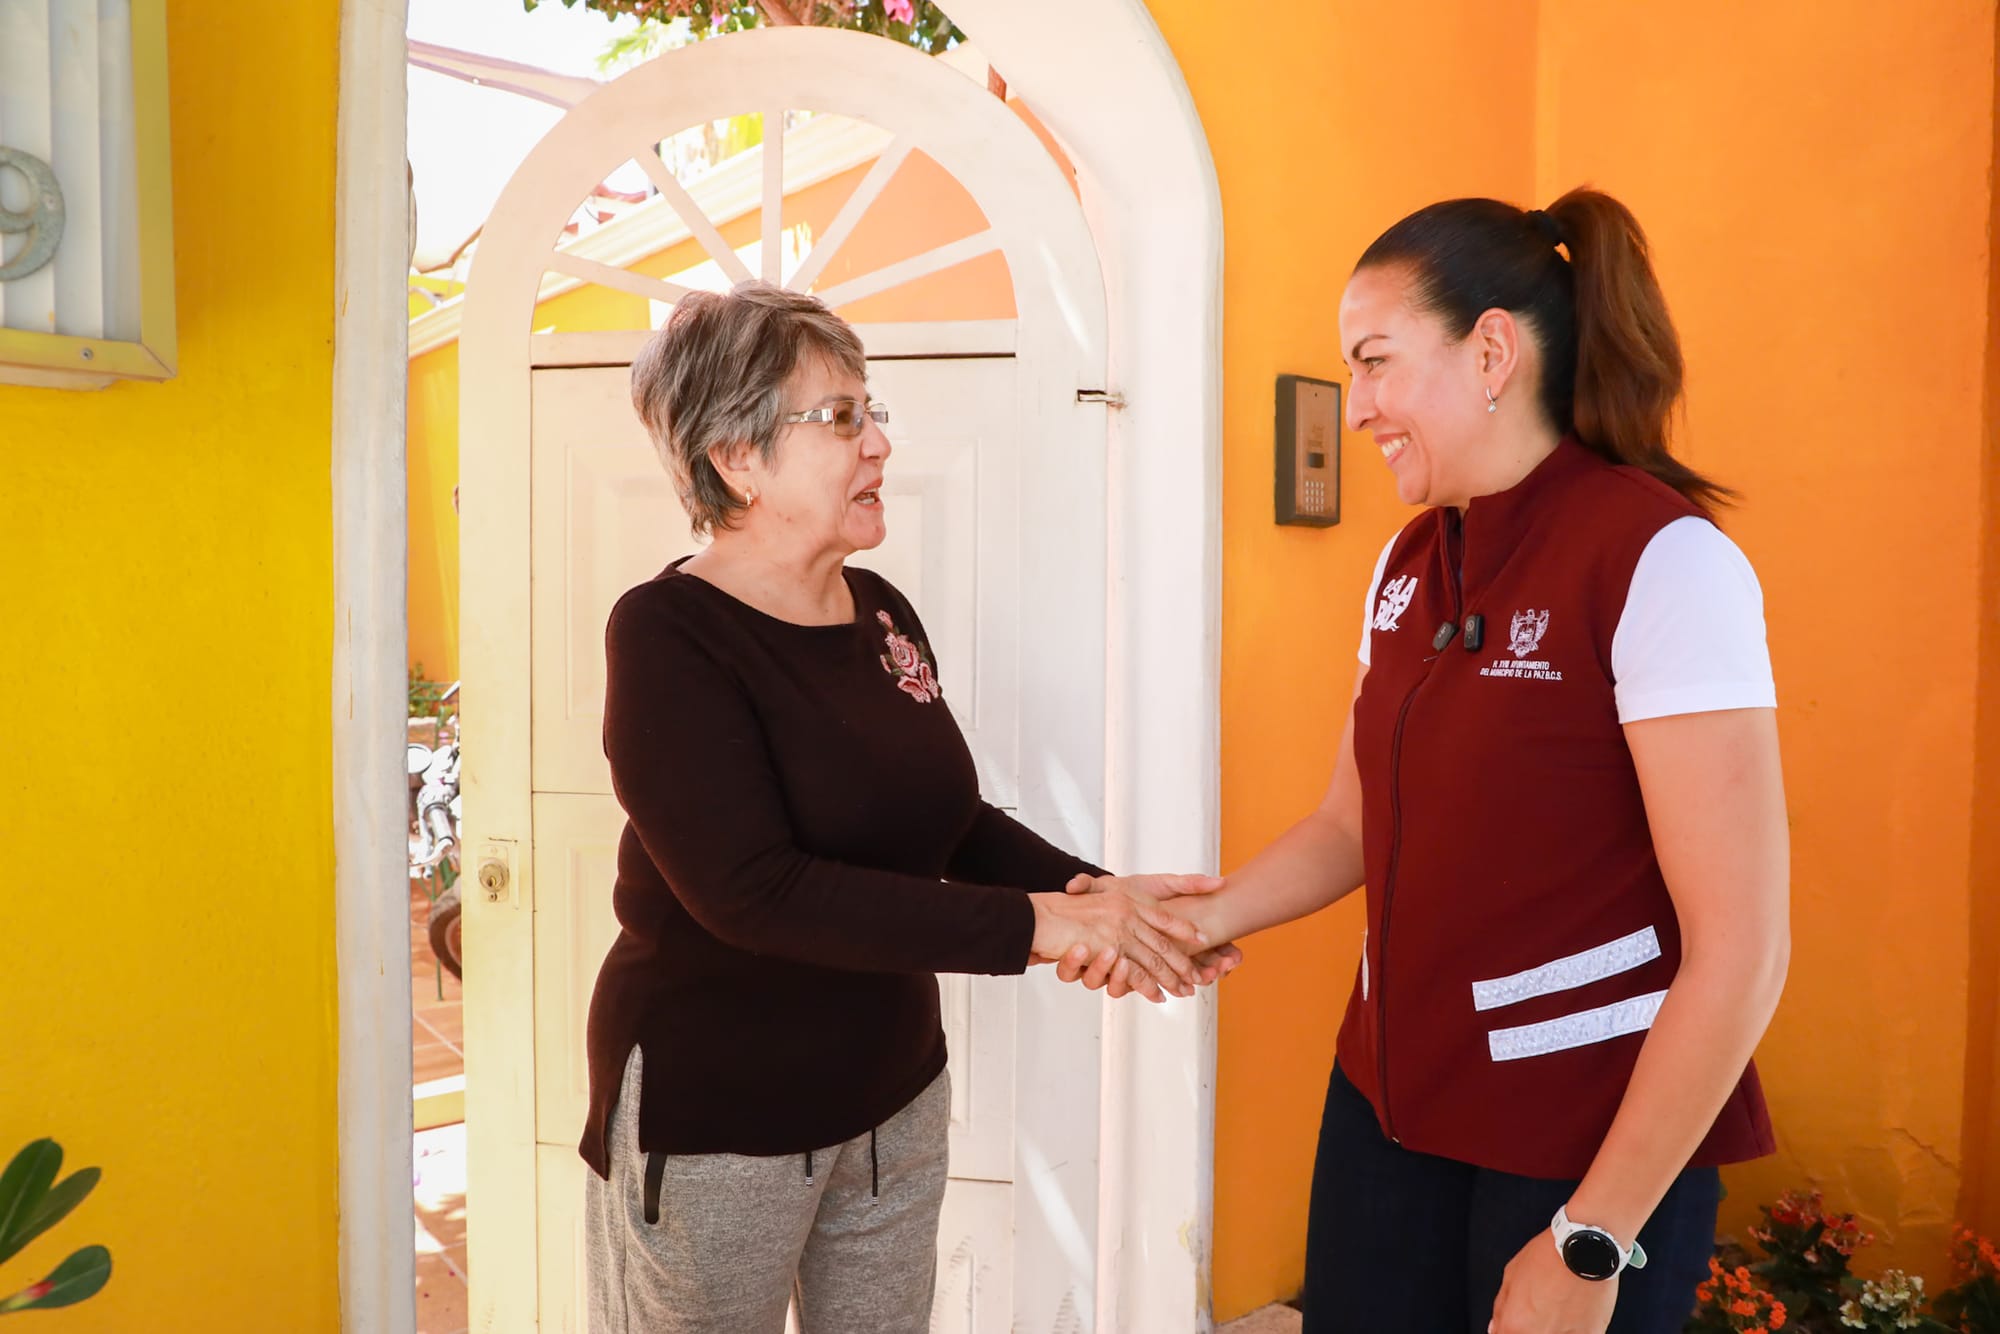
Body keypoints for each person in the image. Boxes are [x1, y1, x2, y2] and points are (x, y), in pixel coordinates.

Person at [1069, 189, 1790, 1333]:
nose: (1355, 408)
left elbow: (1740, 952)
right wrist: (1189, 919)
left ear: (1491, 348)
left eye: (1374, 362)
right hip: (1385, 1119)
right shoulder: (1409, 561)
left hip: (1575, 1146)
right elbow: (1350, 825)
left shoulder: (1660, 560)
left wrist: (1589, 1238)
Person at [581, 281, 1232, 1334]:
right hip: (720, 1115)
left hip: (892, 1094)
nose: (877, 442)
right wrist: (1046, 928)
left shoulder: (879, 607)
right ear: (736, 458)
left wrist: (1102, 896)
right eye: (840, 417)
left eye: (870, 409)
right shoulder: (668, 634)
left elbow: (951, 820)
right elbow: (754, 892)